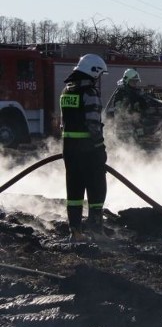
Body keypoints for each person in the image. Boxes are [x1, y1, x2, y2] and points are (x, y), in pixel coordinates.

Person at [59, 54, 108, 242]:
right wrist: (99, 147)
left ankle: (76, 232)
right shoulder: (90, 93)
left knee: (74, 190)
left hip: (69, 149)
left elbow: (63, 124)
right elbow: (93, 124)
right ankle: (96, 231)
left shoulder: (66, 91)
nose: (99, 78)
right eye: (99, 74)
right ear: (93, 71)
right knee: (96, 188)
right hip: (89, 150)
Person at [106, 68, 150, 138]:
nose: (135, 84)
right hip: (124, 128)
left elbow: (143, 109)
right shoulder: (120, 93)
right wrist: (134, 101)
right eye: (133, 82)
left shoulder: (135, 93)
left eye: (136, 82)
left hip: (136, 126)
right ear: (126, 81)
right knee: (127, 145)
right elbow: (120, 110)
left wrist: (144, 101)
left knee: (140, 145)